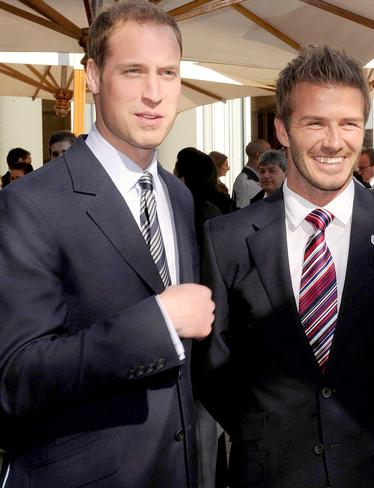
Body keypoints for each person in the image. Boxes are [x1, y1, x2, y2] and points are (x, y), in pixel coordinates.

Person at [196, 45, 374, 488]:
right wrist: (261, 434)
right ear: (282, 129)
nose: (334, 141)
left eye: (349, 124)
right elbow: (211, 365)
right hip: (269, 473)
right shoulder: (227, 238)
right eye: (315, 122)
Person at [0, 3, 215, 487]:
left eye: (168, 73)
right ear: (94, 75)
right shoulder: (30, 204)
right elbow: (16, 376)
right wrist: (156, 323)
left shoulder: (178, 196)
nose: (154, 93)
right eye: (133, 71)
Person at [231, 138, 270, 209]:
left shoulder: (254, 178)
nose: (271, 158)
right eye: (268, 154)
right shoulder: (244, 181)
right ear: (258, 155)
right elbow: (241, 212)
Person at [208, 150, 233, 214]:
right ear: (217, 167)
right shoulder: (211, 189)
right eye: (226, 165)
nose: (228, 168)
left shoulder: (220, 185)